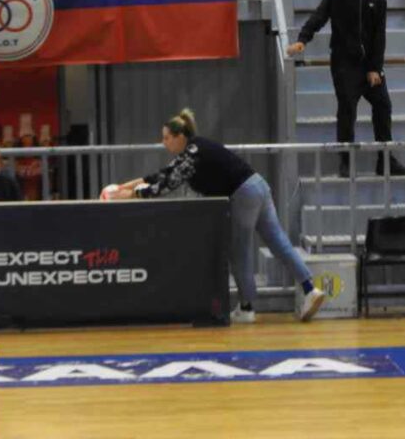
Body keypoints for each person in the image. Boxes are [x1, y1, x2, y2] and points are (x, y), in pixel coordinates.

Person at [101, 108, 326, 324]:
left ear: (180, 136)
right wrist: (123, 186)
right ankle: (309, 288)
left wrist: (126, 196)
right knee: (278, 241)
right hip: (258, 186)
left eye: (167, 138)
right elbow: (159, 175)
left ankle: (247, 308)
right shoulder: (193, 151)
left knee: (239, 251)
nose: (164, 142)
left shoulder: (190, 156)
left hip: (243, 194)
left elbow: (165, 186)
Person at [287, 0, 405, 178]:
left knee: (383, 106)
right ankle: (346, 161)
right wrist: (303, 39)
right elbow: (319, 16)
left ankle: (385, 160)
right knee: (347, 110)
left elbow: (379, 35)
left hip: (370, 65)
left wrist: (375, 68)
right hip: (344, 64)